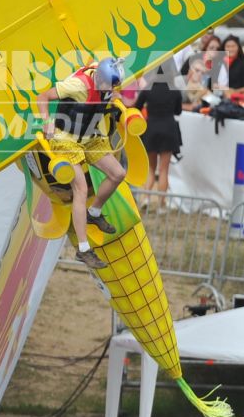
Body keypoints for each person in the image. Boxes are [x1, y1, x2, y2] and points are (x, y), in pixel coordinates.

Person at [32, 58, 129, 271]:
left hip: (89, 137)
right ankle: (83, 249)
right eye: (109, 86)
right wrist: (46, 120)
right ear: (100, 78)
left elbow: (109, 95)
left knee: (118, 174)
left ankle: (93, 213)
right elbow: (43, 96)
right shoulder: (77, 86)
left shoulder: (107, 80)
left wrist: (116, 99)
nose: (111, 89)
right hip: (65, 140)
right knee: (81, 189)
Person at [135, 62, 183, 196]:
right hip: (169, 128)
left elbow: (137, 107)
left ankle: (145, 198)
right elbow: (178, 111)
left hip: (151, 129)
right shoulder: (175, 90)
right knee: (164, 170)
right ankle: (161, 205)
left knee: (151, 169)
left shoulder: (148, 89)